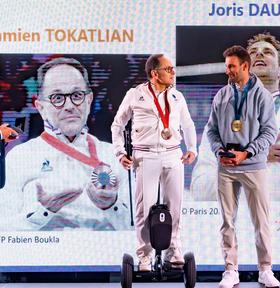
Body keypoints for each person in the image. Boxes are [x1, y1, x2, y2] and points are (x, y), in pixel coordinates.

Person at [0, 57, 130, 230]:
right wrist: (43, 211)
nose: (69, 106)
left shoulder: (115, 157)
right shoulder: (19, 157)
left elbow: (139, 232)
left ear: (89, 100)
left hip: (102, 254)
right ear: (40, 107)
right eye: (57, 97)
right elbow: (4, 229)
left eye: (77, 95)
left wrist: (112, 206)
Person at [191, 32, 280, 201]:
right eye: (252, 53)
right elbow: (200, 190)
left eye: (267, 52)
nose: (259, 54)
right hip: (237, 223)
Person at [111, 54, 197, 271]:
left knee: (175, 206)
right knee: (144, 208)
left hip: (172, 154)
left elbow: (188, 125)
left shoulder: (177, 97)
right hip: (145, 156)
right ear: (154, 73)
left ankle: (173, 250)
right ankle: (144, 256)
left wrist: (193, 149)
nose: (173, 72)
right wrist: (120, 153)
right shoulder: (135, 95)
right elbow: (117, 125)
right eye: (168, 69)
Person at [206, 45, 279, 288]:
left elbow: (270, 132)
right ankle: (230, 269)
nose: (227, 71)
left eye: (231, 66)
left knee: (261, 221)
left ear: (244, 67)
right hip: (226, 166)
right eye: (227, 66)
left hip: (253, 166)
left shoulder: (263, 96)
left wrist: (246, 153)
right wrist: (219, 151)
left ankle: (265, 269)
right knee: (227, 221)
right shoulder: (221, 95)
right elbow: (211, 130)